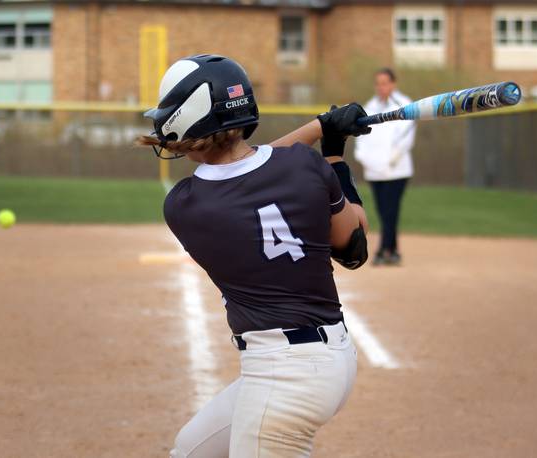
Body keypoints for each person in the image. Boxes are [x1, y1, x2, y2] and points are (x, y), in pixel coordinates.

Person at [139, 54, 371, 457]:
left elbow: (252, 172)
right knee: (191, 451)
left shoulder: (186, 205)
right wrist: (332, 150)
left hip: (285, 377)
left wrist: (317, 130)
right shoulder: (306, 166)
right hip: (329, 360)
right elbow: (353, 247)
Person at [354, 68, 416, 266]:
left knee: (391, 210)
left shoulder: (405, 104)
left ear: (393, 84)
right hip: (374, 171)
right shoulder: (369, 107)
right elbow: (361, 140)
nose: (381, 87)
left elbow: (406, 137)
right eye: (378, 83)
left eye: (385, 83)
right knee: (383, 211)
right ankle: (393, 250)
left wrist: (390, 160)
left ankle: (383, 250)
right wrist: (367, 160)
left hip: (397, 170)